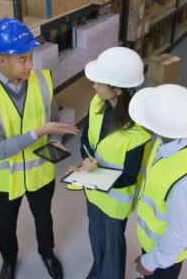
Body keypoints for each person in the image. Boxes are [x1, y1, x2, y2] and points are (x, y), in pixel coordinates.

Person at [0, 18, 78, 279]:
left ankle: (47, 254)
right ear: (1, 59)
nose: (30, 65)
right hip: (6, 179)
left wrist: (55, 141)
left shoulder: (42, 81)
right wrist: (38, 132)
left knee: (44, 217)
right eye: (22, 60)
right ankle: (9, 260)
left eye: (30, 57)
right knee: (7, 223)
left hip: (40, 173)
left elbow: (52, 119)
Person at [68, 47, 151, 279]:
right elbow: (86, 138)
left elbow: (129, 176)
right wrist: (86, 160)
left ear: (117, 89)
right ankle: (98, 270)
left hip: (114, 203)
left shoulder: (137, 130)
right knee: (96, 237)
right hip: (93, 194)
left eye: (99, 83)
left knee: (113, 247)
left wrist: (93, 174)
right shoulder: (97, 103)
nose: (93, 86)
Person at [128, 84, 187, 279]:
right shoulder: (180, 133)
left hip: (165, 257)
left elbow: (178, 235)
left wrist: (150, 262)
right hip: (154, 239)